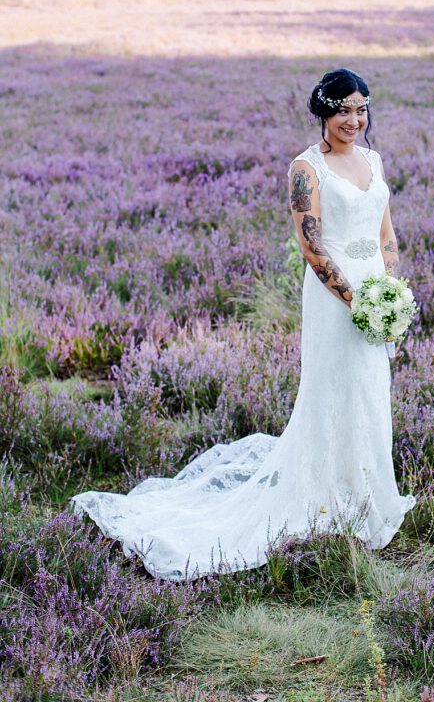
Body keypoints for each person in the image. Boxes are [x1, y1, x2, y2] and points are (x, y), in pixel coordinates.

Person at [70, 68, 416, 580]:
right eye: (342, 109)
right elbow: (312, 247)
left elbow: (385, 232)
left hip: (374, 292)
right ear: (323, 110)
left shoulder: (373, 160)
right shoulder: (306, 169)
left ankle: (365, 495)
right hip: (334, 296)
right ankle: (323, 499)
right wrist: (358, 300)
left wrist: (390, 288)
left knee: (370, 388)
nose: (353, 119)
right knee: (332, 388)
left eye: (361, 108)